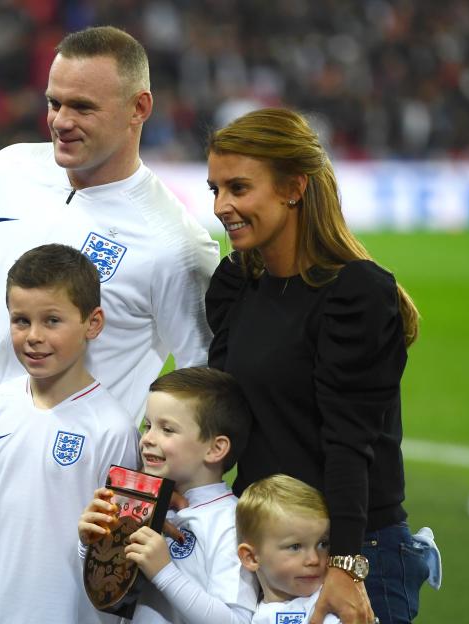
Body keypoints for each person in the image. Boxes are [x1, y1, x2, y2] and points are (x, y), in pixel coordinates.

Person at [0, 26, 219, 624]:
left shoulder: (175, 247)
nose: (61, 121)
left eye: (82, 106)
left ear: (139, 108)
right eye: (53, 102)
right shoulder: (10, 169)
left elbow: (204, 387)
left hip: (62, 519)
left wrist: (164, 502)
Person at [204, 107, 432, 624]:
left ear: (293, 188)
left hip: (350, 551)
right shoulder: (237, 284)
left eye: (239, 188)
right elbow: (225, 420)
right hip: (265, 553)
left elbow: (348, 441)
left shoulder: (356, 293)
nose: (221, 206)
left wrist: (346, 564)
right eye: (215, 189)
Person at [0, 244, 140, 623]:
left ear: (93, 323)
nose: (34, 336)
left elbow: (116, 556)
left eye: (52, 321)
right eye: (21, 321)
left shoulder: (114, 429)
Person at [78, 366, 260, 624]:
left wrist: (164, 572)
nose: (147, 439)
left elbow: (237, 621)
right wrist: (92, 546)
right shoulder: (139, 506)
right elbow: (113, 597)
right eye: (148, 425)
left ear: (215, 448)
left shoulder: (231, 523)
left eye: (167, 429)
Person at [236, 474, 341, 624]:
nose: (314, 559)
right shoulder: (250, 615)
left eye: (322, 544)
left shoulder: (333, 602)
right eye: (295, 547)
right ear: (251, 557)